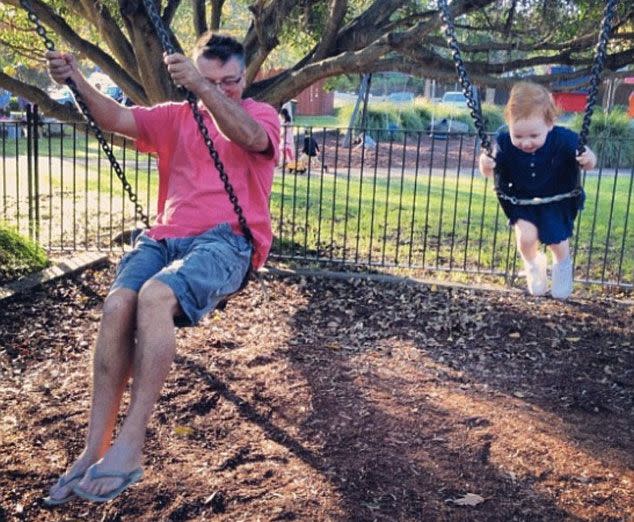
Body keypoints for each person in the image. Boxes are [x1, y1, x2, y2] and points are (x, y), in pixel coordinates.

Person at [43, 32, 280, 504]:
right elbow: (114, 117)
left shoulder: (261, 115)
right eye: (209, 80)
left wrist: (206, 89)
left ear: (243, 77)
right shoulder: (175, 118)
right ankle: (94, 449)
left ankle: (130, 445)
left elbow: (251, 139)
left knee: (155, 295)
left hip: (227, 241)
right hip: (165, 237)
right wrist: (75, 80)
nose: (222, 88)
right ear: (189, 78)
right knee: (117, 305)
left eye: (230, 81)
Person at [479, 81, 596, 299]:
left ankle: (562, 266)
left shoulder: (563, 138)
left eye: (533, 136)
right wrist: (485, 164)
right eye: (519, 135)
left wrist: (588, 159)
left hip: (556, 199)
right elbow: (488, 168)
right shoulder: (503, 142)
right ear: (510, 125)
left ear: (550, 124)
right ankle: (533, 264)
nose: (525, 143)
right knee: (526, 238)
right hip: (520, 200)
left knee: (557, 242)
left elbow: (589, 161)